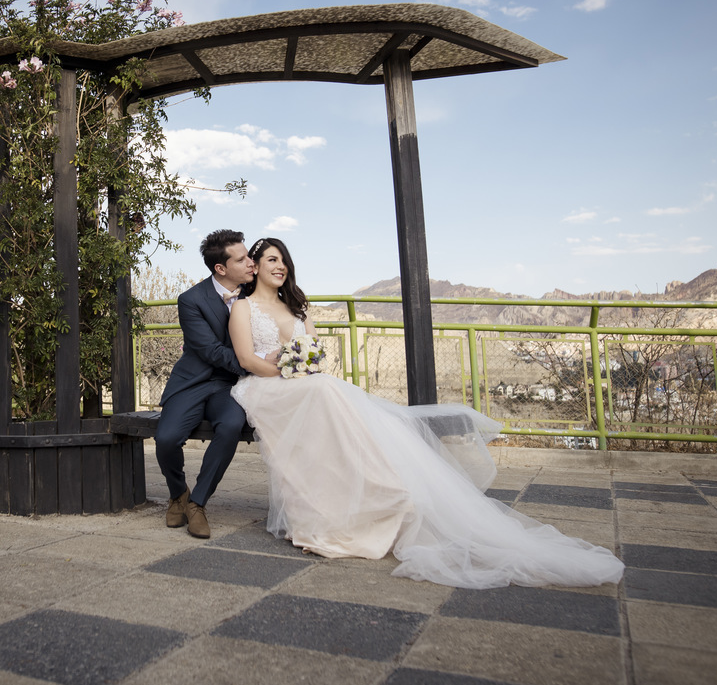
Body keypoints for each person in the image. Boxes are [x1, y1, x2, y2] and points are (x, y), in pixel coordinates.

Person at [228, 237, 625, 589]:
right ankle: (335, 507)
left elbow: (314, 354)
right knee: (326, 392)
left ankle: (379, 490)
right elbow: (247, 358)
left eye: (284, 261)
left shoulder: (298, 309)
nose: (280, 267)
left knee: (333, 394)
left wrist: (305, 368)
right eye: (271, 260)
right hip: (267, 388)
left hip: (307, 386)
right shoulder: (242, 308)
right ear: (256, 267)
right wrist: (290, 372)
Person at [155, 229, 262, 539]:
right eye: (242, 259)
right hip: (193, 381)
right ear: (221, 268)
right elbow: (210, 351)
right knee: (167, 438)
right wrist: (255, 364)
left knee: (230, 425)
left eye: (249, 256)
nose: (250, 263)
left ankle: (198, 503)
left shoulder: (255, 293)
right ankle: (178, 493)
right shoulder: (191, 300)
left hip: (229, 386)